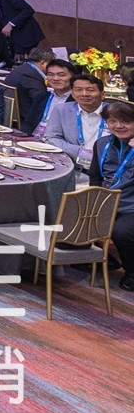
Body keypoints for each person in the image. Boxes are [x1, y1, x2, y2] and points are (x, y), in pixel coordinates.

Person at [85, 100, 134, 291]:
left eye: (125, 121)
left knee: (121, 232)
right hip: (106, 201)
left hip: (130, 206)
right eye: (112, 121)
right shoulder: (102, 144)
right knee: (70, 214)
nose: (118, 126)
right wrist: (94, 201)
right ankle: (94, 259)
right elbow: (95, 176)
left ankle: (131, 273)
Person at [50, 73, 109, 163]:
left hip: (106, 165)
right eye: (78, 90)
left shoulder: (115, 113)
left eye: (90, 90)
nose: (84, 94)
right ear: (72, 94)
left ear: (102, 94)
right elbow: (51, 138)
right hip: (72, 164)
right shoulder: (61, 109)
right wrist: (80, 152)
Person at [23, 59, 76, 137]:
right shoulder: (41, 97)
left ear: (72, 77)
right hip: (35, 139)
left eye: (61, 75)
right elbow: (28, 123)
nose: (55, 78)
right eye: (51, 74)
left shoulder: (77, 101)